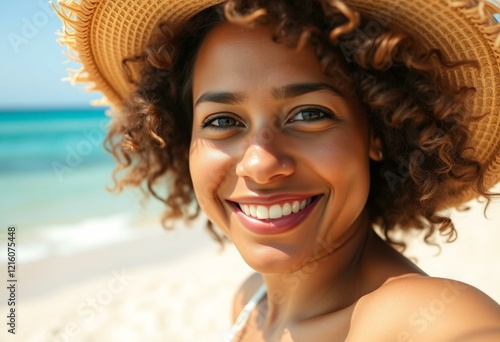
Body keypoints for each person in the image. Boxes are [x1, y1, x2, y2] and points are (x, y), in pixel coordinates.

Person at [53, 0, 500, 340]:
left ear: (376, 133)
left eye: (308, 114)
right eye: (223, 122)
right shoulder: (251, 304)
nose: (261, 164)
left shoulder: (437, 321)